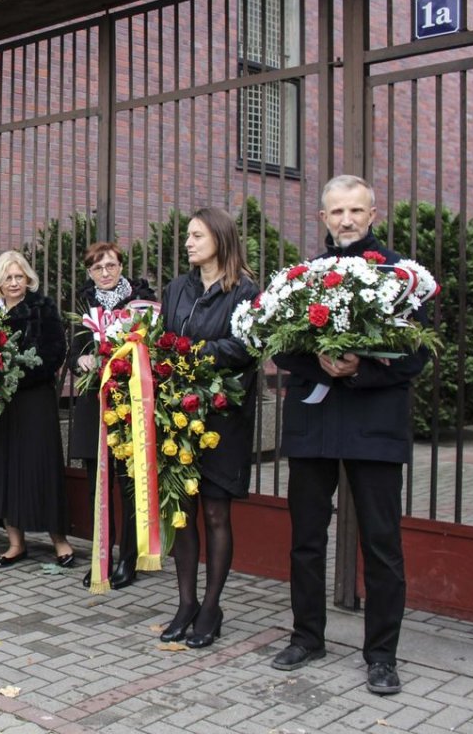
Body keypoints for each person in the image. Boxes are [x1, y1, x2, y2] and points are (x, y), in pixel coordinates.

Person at [269, 175, 428, 696]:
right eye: (337, 211)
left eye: (356, 210)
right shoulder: (302, 278)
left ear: (373, 214)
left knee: (381, 545)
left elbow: (417, 353)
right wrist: (318, 361)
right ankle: (306, 637)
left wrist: (361, 367)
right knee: (306, 540)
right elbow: (278, 343)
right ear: (322, 218)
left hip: (374, 425)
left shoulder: (402, 277)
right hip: (313, 425)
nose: (346, 220)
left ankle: (381, 656)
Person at [159, 208, 259, 649]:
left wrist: (197, 352)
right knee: (182, 512)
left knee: (216, 512)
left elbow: (247, 348)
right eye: (188, 236)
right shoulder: (176, 288)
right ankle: (186, 603)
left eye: (197, 235)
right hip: (179, 413)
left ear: (220, 238)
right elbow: (164, 339)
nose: (188, 243)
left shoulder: (245, 291)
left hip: (222, 417)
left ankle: (212, 607)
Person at [0, 251, 73, 568]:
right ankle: (15, 543)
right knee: (3, 467)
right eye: (8, 277)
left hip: (34, 400)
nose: (14, 283)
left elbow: (55, 352)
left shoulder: (43, 308)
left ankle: (60, 542)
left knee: (39, 468)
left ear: (28, 278)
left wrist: (16, 375)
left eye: (19, 277)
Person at [68, 241, 155, 589]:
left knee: (129, 484)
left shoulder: (140, 302)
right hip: (94, 404)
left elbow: (152, 345)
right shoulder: (83, 304)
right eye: (97, 268)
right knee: (98, 487)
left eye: (111, 266)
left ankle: (128, 559)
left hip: (129, 402)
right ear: (89, 272)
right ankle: (101, 555)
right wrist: (80, 360)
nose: (104, 273)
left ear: (121, 266)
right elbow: (73, 350)